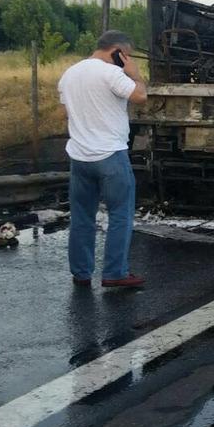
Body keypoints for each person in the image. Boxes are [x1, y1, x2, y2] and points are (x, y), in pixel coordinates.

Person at [58, 30, 148, 288]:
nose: (127, 60)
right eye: (126, 55)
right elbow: (140, 97)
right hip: (110, 155)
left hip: (79, 157)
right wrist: (135, 74)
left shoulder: (70, 74)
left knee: (82, 217)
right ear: (117, 52)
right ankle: (115, 272)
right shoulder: (112, 73)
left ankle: (81, 272)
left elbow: (67, 111)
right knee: (120, 214)